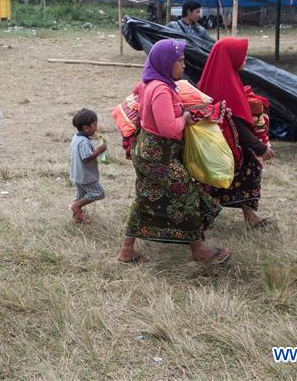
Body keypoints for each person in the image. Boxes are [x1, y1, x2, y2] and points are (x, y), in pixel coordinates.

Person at [116, 38, 229, 265]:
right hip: (158, 155)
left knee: (146, 198)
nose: (184, 65)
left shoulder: (151, 82)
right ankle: (199, 250)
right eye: (179, 60)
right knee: (186, 193)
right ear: (166, 63)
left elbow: (138, 94)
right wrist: (185, 118)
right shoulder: (160, 90)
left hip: (149, 151)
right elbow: (169, 129)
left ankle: (126, 251)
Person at [197, 37, 274, 229]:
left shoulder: (223, 77)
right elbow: (237, 125)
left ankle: (249, 215)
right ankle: (203, 216)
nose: (246, 58)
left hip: (217, 144)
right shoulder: (227, 87)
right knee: (249, 167)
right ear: (231, 57)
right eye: (242, 55)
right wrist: (260, 147)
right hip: (223, 147)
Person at [69, 108, 107, 224]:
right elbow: (86, 159)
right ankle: (76, 206)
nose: (96, 127)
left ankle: (77, 218)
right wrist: (99, 150)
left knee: (80, 196)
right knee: (98, 193)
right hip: (86, 176)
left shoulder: (76, 138)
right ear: (86, 128)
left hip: (77, 174)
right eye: (95, 125)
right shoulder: (84, 142)